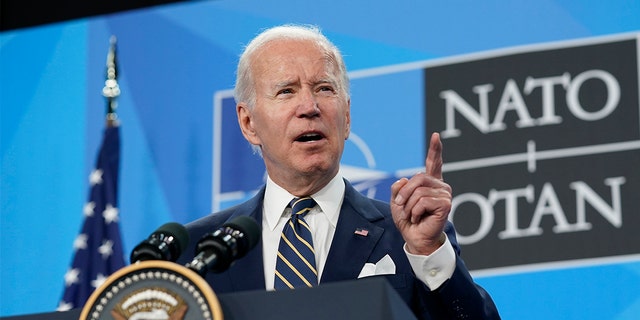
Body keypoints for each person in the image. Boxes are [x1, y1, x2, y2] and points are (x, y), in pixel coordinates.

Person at [177, 24, 501, 319]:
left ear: (346, 117)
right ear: (248, 123)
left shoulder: (409, 236)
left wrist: (428, 254)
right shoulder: (195, 252)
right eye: (286, 91)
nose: (309, 107)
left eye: (324, 89)